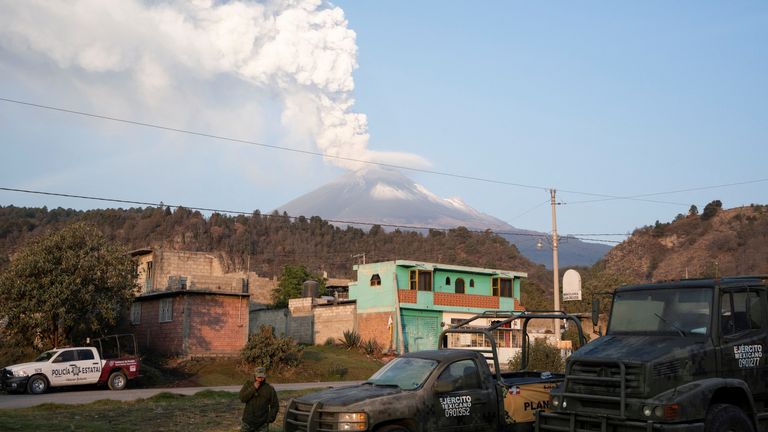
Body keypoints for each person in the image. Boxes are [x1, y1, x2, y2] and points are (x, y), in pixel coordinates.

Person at [239, 366, 279, 432]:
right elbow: (242, 398)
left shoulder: (269, 389)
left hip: (262, 424)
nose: (260, 379)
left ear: (265, 376)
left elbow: (275, 405)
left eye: (262, 377)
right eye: (258, 377)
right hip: (248, 422)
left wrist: (270, 419)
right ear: (254, 375)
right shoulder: (248, 385)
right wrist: (253, 388)